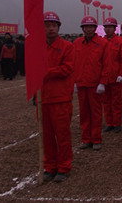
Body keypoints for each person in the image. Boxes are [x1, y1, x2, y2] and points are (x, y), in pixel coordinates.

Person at [41, 11, 75, 183]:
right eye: (47, 25)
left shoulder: (67, 47)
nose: (51, 28)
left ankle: (64, 166)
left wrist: (45, 72)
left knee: (62, 135)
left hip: (61, 98)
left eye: (53, 25)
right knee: (46, 135)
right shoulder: (37, 48)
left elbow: (66, 69)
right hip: (44, 98)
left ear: (59, 27)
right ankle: (50, 166)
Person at [73, 16, 109, 151]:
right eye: (86, 27)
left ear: (95, 28)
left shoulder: (102, 43)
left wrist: (103, 82)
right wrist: (74, 81)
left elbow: (106, 64)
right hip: (82, 83)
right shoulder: (76, 43)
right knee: (84, 113)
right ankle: (86, 139)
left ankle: (96, 139)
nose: (88, 29)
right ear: (82, 28)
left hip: (95, 85)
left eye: (91, 27)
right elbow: (73, 63)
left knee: (96, 112)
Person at [102, 17, 122, 133]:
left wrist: (121, 74)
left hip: (116, 78)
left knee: (116, 101)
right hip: (104, 78)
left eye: (110, 27)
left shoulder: (120, 42)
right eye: (106, 27)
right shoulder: (101, 42)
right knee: (106, 102)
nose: (108, 29)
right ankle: (109, 123)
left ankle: (117, 123)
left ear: (114, 28)